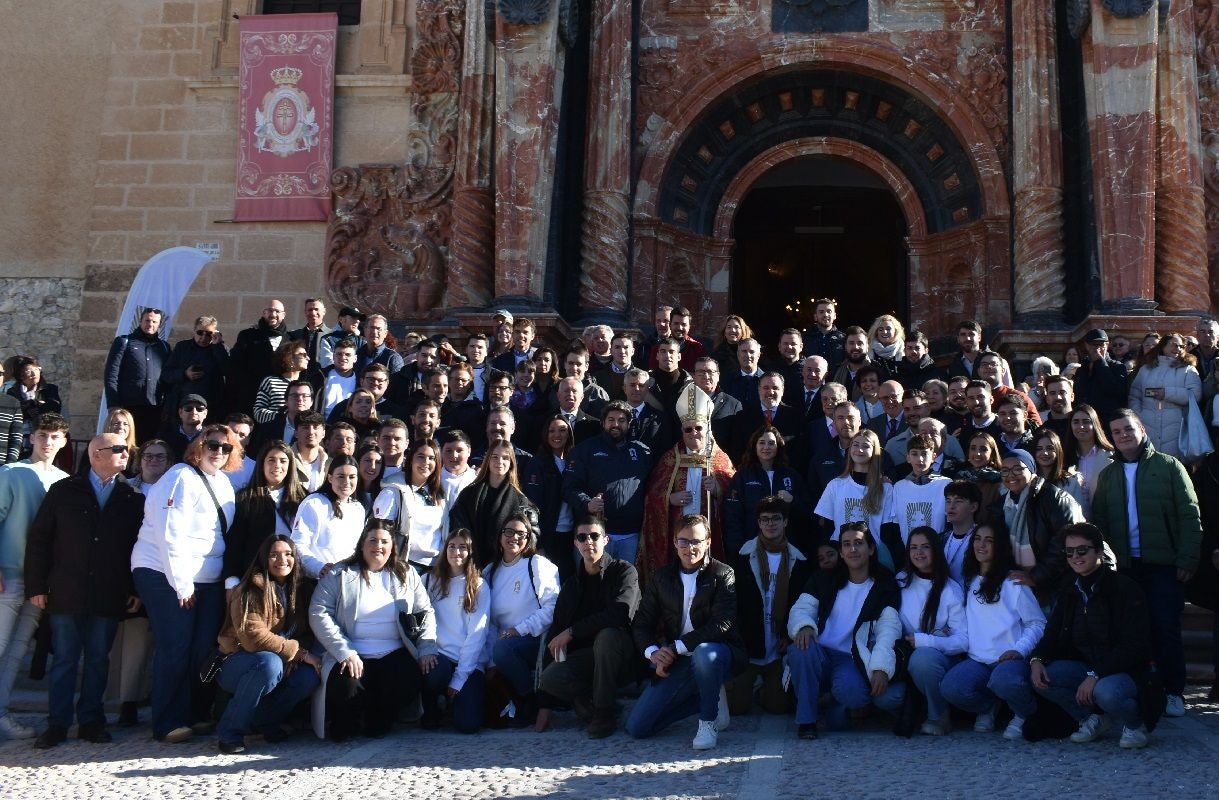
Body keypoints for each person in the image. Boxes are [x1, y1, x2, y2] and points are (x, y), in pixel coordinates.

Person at [25, 433, 145, 749]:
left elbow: (137, 548)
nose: (126, 454)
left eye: (126, 449)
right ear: (95, 454)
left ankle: (91, 721)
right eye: (119, 449)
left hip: (108, 593)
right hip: (66, 590)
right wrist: (36, 585)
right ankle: (57, 724)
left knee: (98, 659)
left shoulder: (131, 498)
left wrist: (133, 588)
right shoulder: (63, 491)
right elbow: (40, 540)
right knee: (64, 659)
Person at [130, 423, 243, 743]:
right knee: (175, 647)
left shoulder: (224, 484)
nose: (218, 451)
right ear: (199, 445)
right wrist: (182, 584)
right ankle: (168, 721)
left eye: (226, 447)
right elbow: (171, 532)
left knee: (200, 650)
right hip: (166, 573)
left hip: (206, 578)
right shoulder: (180, 475)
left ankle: (194, 712)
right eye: (213, 444)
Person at [1092, 408, 1202, 718]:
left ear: (1141, 429)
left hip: (1164, 564)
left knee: (1165, 626)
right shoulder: (1108, 474)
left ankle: (1173, 691)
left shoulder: (1169, 466)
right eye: (1116, 432)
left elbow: (1189, 514)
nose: (1123, 435)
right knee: (1131, 631)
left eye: (1128, 428)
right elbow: (1100, 522)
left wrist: (1187, 557)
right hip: (1125, 568)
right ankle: (1142, 688)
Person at [1030, 523, 1153, 749]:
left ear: (1098, 551)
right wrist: (1037, 659)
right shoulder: (1070, 588)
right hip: (1087, 666)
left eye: (1082, 550)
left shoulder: (1125, 588)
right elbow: (1053, 632)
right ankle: (1093, 718)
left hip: (1127, 672)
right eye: (1069, 552)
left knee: (1105, 691)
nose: (1075, 556)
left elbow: (1134, 646)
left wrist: (1096, 674)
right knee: (1044, 678)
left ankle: (1135, 725)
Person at [625, 514, 744, 749]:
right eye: (684, 541)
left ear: (708, 542)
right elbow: (641, 624)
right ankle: (705, 697)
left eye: (696, 541)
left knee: (703, 653)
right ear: (674, 543)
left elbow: (723, 624)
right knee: (638, 727)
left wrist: (676, 646)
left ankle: (707, 722)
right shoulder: (662, 578)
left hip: (717, 652)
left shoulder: (723, 574)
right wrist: (653, 653)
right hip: (678, 657)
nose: (690, 548)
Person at [308, 523, 436, 741]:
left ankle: (380, 719)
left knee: (408, 677)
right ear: (362, 544)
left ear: (392, 546)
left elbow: (425, 611)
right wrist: (345, 651)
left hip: (393, 652)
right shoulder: (339, 573)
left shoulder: (406, 573)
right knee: (346, 697)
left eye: (384, 541)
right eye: (373, 540)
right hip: (352, 653)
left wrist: (426, 647)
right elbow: (318, 612)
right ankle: (349, 720)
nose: (379, 546)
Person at [786, 522, 900, 739]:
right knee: (801, 647)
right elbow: (802, 608)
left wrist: (881, 667)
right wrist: (806, 625)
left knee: (855, 695)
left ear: (871, 548)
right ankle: (807, 720)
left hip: (850, 657)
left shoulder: (885, 585)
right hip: (818, 652)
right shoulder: (824, 578)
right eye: (846, 545)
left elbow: (888, 629)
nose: (852, 550)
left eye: (858, 543)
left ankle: (829, 702)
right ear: (841, 551)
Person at [213, 535, 321, 754]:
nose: (282, 560)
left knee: (308, 677)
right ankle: (230, 733)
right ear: (264, 559)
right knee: (268, 664)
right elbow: (253, 637)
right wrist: (296, 652)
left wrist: (297, 653)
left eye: (288, 554)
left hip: (278, 659)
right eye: (274, 554)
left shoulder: (301, 589)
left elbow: (308, 631)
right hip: (238, 661)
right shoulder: (248, 590)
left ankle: (262, 721)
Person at [537, 515, 641, 738]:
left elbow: (620, 614)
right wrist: (544, 705)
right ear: (575, 543)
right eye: (582, 537)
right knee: (549, 677)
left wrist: (573, 631)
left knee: (606, 636)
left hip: (622, 655)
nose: (588, 542)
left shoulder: (624, 571)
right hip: (586, 659)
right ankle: (591, 701)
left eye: (594, 536)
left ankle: (602, 713)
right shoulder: (571, 586)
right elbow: (556, 636)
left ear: (606, 540)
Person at [940, 522, 1046, 741]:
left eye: (989, 541)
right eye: (978, 539)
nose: (982, 545)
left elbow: (1037, 623)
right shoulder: (967, 581)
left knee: (1004, 680)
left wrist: (1019, 650)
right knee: (951, 687)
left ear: (999, 547)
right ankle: (989, 707)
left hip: (1010, 659)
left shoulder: (1014, 582)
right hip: (977, 660)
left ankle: (1023, 713)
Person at [0, 413, 70, 740]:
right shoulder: (11, 473)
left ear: (64, 441)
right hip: (9, 574)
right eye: (42, 435)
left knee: (15, 653)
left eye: (54, 436)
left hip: (39, 583)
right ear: (31, 437)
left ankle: (1, 712)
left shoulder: (64, 481)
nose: (47, 442)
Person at [638, 384, 735, 584]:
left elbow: (735, 493)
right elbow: (651, 496)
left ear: (707, 428)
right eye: (688, 429)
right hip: (678, 539)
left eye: (698, 428)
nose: (693, 433)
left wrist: (718, 489)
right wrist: (668, 498)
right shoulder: (670, 459)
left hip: (710, 535)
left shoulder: (720, 459)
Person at [726, 496, 811, 717]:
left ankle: (763, 691)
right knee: (736, 708)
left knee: (779, 707)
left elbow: (801, 604)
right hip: (749, 646)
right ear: (758, 523)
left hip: (777, 648)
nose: (770, 524)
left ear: (785, 522)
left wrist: (787, 634)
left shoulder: (799, 560)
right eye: (765, 519)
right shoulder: (742, 557)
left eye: (776, 518)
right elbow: (733, 604)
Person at [482, 508, 560, 727]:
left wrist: (519, 630)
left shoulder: (537, 565)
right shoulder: (489, 572)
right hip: (502, 645)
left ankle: (530, 698)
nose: (514, 538)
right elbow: (487, 622)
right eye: (508, 532)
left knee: (503, 649)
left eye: (521, 534)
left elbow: (552, 607)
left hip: (535, 640)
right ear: (499, 536)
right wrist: (489, 661)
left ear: (528, 539)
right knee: (499, 651)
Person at [886, 528, 967, 736]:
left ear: (936, 550)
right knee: (885, 698)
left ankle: (939, 715)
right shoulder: (901, 580)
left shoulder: (951, 589)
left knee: (923, 660)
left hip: (940, 660)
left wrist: (925, 641)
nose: (919, 553)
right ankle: (913, 708)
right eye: (913, 547)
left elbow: (962, 640)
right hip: (903, 659)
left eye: (925, 547)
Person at [563, 401, 654, 567]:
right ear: (603, 422)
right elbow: (569, 487)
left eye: (621, 420)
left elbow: (654, 487)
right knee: (592, 586)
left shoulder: (642, 452)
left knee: (624, 586)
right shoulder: (584, 450)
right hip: (593, 535)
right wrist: (587, 503)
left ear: (629, 423)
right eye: (611, 420)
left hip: (630, 535)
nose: (616, 424)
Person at [420, 528, 489, 734]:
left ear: (470, 552)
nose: (456, 552)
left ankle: (455, 700)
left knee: (468, 725)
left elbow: (477, 634)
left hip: (468, 662)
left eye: (462, 547)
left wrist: (459, 679)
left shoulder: (478, 585)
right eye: (452, 546)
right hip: (439, 656)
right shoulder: (429, 581)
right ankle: (432, 707)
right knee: (431, 672)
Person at [996, 449, 1084, 599]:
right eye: (1005, 470)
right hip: (1021, 586)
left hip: (1056, 585)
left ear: (1031, 470)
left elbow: (1067, 542)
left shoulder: (1054, 498)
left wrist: (1036, 576)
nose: (1010, 475)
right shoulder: (1002, 505)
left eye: (1018, 469)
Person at [223, 441, 307, 589]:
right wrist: (232, 581)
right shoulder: (245, 498)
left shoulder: (305, 499)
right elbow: (235, 543)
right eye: (271, 460)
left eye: (283, 461)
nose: (277, 465)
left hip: (295, 581)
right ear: (262, 464)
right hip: (255, 580)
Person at [814, 429, 898, 569]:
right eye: (855, 444)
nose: (859, 449)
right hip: (841, 558)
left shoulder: (886, 489)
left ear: (875, 451)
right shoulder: (835, 485)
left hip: (873, 557)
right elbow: (827, 526)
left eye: (865, 446)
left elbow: (888, 530)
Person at [723, 425, 813, 556]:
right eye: (762, 443)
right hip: (752, 547)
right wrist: (737, 549)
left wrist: (792, 501)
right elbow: (733, 515)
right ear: (755, 446)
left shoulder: (792, 475)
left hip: (788, 548)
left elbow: (809, 511)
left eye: (771, 443)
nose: (766, 447)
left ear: (778, 447)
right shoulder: (742, 477)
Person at [449, 437, 533, 568]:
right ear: (487, 460)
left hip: (504, 565)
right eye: (495, 457)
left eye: (505, 458)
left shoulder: (520, 500)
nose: (500, 461)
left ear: (511, 462)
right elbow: (459, 528)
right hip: (470, 563)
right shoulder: (468, 493)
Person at [372, 438, 448, 573]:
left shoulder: (439, 494)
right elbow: (380, 532)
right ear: (411, 459)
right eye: (421, 457)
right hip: (405, 566)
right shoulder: (392, 492)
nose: (426, 462)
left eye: (431, 458)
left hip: (436, 569)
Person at [1127, 331, 1202, 460]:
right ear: (1163, 346)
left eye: (1181, 346)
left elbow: (1194, 395)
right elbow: (1135, 394)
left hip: (1177, 427)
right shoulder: (1146, 369)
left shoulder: (1188, 369)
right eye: (1174, 345)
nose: (1177, 349)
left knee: (1173, 466)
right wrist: (1139, 413)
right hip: (1147, 424)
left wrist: (1167, 393)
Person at [291, 456, 366, 581]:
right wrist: (319, 567)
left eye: (352, 477)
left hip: (346, 580)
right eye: (341, 476)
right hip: (316, 580)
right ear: (330, 478)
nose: (347, 481)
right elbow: (298, 544)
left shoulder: (358, 508)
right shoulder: (314, 503)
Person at [521, 415, 576, 580]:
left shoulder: (575, 461)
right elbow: (532, 506)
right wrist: (539, 544)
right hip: (549, 535)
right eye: (551, 431)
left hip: (572, 534)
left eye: (562, 430)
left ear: (569, 434)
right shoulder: (537, 463)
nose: (556, 435)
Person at [103, 307, 170, 442]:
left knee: (149, 444)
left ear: (159, 325)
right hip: (128, 407)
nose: (150, 324)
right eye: (147, 320)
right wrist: (113, 404)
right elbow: (111, 374)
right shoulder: (124, 341)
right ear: (140, 321)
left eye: (154, 322)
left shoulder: (164, 347)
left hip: (155, 408)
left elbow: (168, 378)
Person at [162, 316, 229, 422]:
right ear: (194, 330)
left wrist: (218, 346)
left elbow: (228, 371)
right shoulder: (182, 347)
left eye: (208, 334)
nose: (203, 337)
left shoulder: (220, 348)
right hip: (183, 403)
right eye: (200, 332)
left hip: (211, 405)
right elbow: (167, 374)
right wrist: (184, 374)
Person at [228, 299, 289, 415]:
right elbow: (235, 365)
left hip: (279, 400)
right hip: (250, 398)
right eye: (269, 310)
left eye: (277, 311)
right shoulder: (247, 335)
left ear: (283, 315)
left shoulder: (291, 339)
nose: (273, 314)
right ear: (263, 313)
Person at [253, 341, 319, 424]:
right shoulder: (270, 381)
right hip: (275, 432)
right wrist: (284, 417)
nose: (308, 358)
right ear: (289, 358)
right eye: (303, 355)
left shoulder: (306, 386)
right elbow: (258, 412)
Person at [1074, 329, 1128, 419]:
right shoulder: (1082, 368)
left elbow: (1114, 390)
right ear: (1086, 346)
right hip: (1085, 418)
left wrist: (1100, 362)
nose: (1098, 348)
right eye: (1094, 345)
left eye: (1101, 345)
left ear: (1107, 345)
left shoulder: (1118, 367)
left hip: (1107, 418)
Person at [6, 357, 62, 443]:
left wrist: (30, 405)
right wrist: (36, 405)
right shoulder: (12, 392)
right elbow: (12, 412)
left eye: (36, 369)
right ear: (20, 375)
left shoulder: (49, 389)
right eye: (28, 371)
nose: (34, 373)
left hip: (45, 433)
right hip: (19, 434)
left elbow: (54, 408)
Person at [1032, 428, 1086, 511]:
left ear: (1058, 451)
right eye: (1039, 449)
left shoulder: (1071, 483)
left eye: (1050, 448)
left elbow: (1081, 514)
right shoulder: (1029, 483)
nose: (1045, 453)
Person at [941, 479, 982, 585]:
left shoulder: (983, 539)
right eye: (948, 501)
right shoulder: (941, 539)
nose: (951, 506)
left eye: (958, 501)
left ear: (973, 507)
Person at [802, 298, 846, 373]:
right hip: (812, 382)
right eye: (821, 312)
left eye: (829, 311)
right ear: (815, 316)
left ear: (834, 316)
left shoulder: (843, 339)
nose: (825, 315)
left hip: (836, 383)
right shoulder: (805, 338)